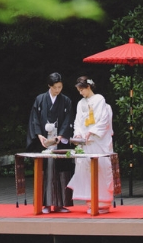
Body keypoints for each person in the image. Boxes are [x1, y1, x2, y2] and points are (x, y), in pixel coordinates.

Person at [26, 72, 74, 213]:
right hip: (44, 141)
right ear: (49, 86)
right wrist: (40, 135)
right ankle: (46, 204)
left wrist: (60, 136)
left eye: (60, 87)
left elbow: (68, 120)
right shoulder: (40, 99)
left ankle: (61, 204)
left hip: (59, 140)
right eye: (55, 88)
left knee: (62, 172)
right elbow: (34, 119)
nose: (58, 90)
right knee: (46, 172)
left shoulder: (66, 101)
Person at [67, 76, 114, 214]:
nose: (80, 93)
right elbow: (78, 121)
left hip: (98, 141)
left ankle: (103, 203)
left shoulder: (100, 99)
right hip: (85, 143)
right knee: (86, 170)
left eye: (82, 90)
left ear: (88, 87)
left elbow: (104, 119)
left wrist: (92, 132)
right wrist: (78, 134)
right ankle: (90, 201)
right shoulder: (80, 103)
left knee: (101, 169)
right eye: (79, 90)